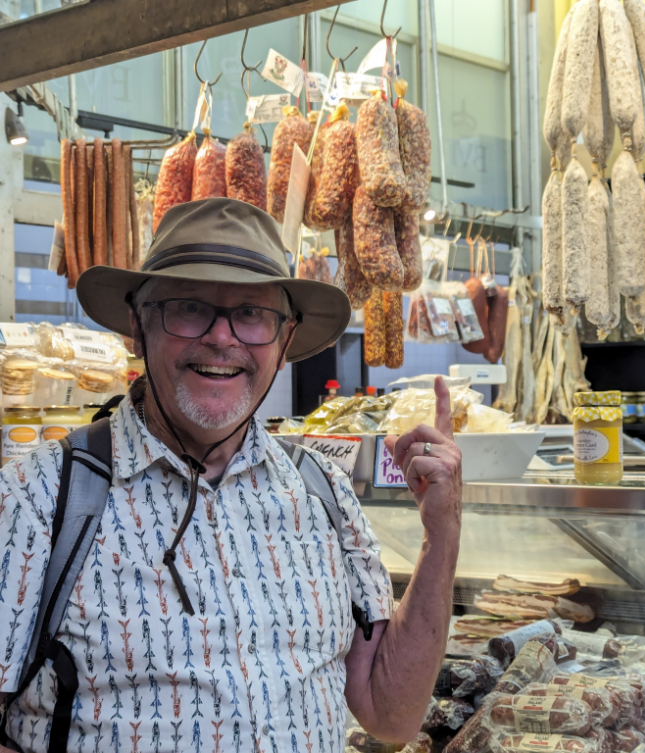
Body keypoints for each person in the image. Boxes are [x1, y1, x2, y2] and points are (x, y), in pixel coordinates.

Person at [0, 198, 462, 753]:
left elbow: (390, 716)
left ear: (285, 340)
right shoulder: (39, 499)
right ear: (137, 323)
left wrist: (440, 538)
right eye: (189, 307)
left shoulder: (323, 493)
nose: (223, 338)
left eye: (251, 314)